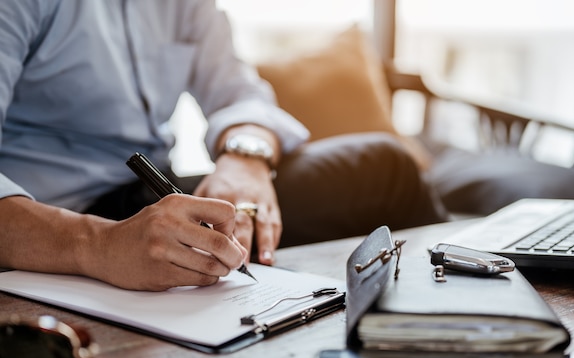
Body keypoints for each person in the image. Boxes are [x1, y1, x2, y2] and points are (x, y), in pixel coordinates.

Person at [0, 0, 446, 291]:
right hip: (46, 219)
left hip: (150, 193)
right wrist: (97, 245)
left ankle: (460, 303)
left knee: (385, 169)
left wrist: (245, 157)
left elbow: (240, 93)